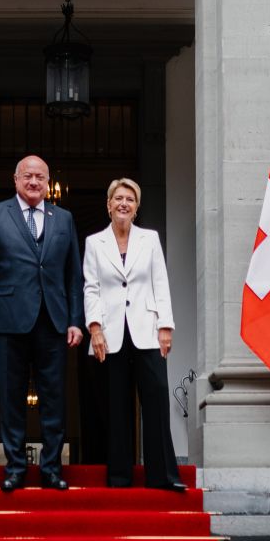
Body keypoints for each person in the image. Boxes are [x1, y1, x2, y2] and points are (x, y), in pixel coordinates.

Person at [0, 153, 83, 491]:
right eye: (27, 176)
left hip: (53, 321)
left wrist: (76, 320)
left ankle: (51, 469)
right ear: (16, 180)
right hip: (6, 321)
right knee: (10, 397)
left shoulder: (64, 218)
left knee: (54, 398)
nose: (34, 182)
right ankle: (15, 467)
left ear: (48, 183)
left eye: (40, 177)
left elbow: (73, 275)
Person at [83, 177, 182, 490]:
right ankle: (119, 477)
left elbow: (160, 283)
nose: (123, 203)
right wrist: (95, 328)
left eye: (130, 199)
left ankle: (163, 476)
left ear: (136, 208)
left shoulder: (149, 239)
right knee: (116, 406)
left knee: (156, 401)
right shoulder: (94, 243)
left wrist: (165, 326)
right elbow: (91, 288)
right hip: (110, 334)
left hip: (147, 330)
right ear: (109, 205)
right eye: (118, 198)